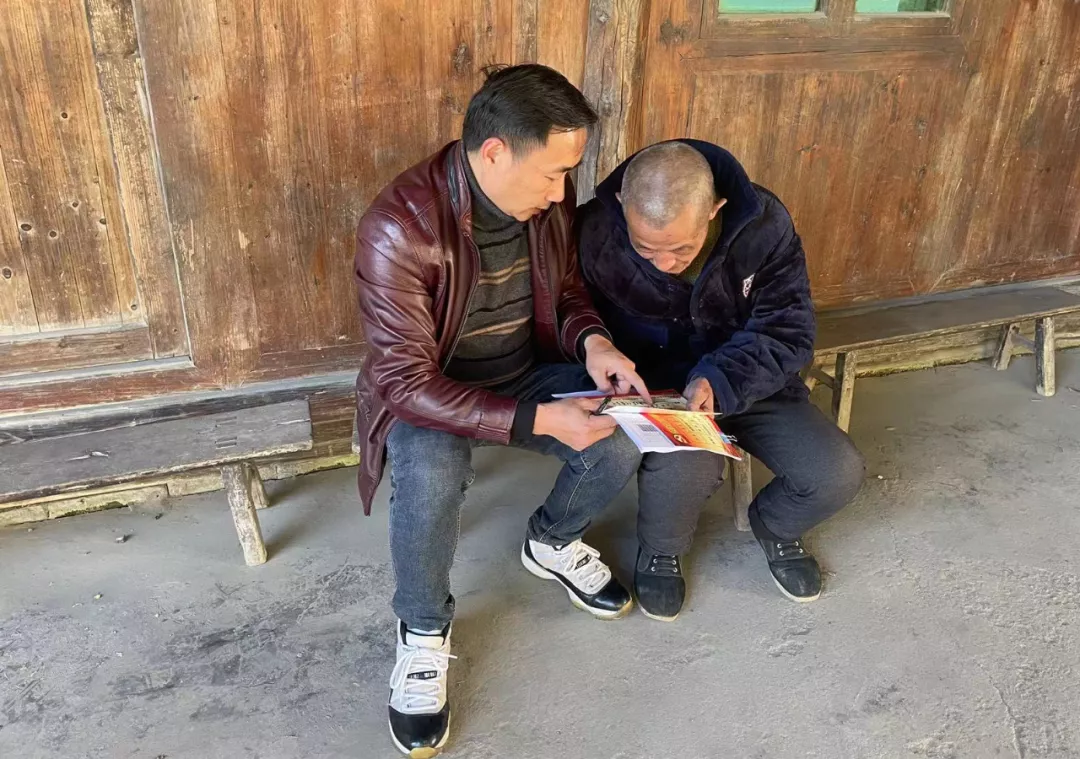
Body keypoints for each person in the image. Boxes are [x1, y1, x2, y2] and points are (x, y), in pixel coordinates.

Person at [353, 65, 652, 758]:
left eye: (566, 175)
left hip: (520, 369)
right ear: (494, 153)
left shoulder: (542, 204)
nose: (561, 193)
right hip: (432, 394)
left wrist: (595, 343)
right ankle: (422, 629)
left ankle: (551, 541)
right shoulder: (399, 227)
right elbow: (404, 382)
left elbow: (566, 290)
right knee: (429, 474)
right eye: (553, 174)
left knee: (622, 432)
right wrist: (541, 421)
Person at [576, 139, 866, 622]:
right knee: (688, 467)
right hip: (658, 389)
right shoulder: (596, 229)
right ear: (623, 205)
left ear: (715, 209)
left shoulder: (763, 225)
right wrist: (601, 357)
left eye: (681, 249)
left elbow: (788, 330)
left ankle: (777, 526)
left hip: (750, 379)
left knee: (835, 472)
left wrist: (721, 378)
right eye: (645, 249)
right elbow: (571, 314)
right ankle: (661, 549)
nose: (663, 264)